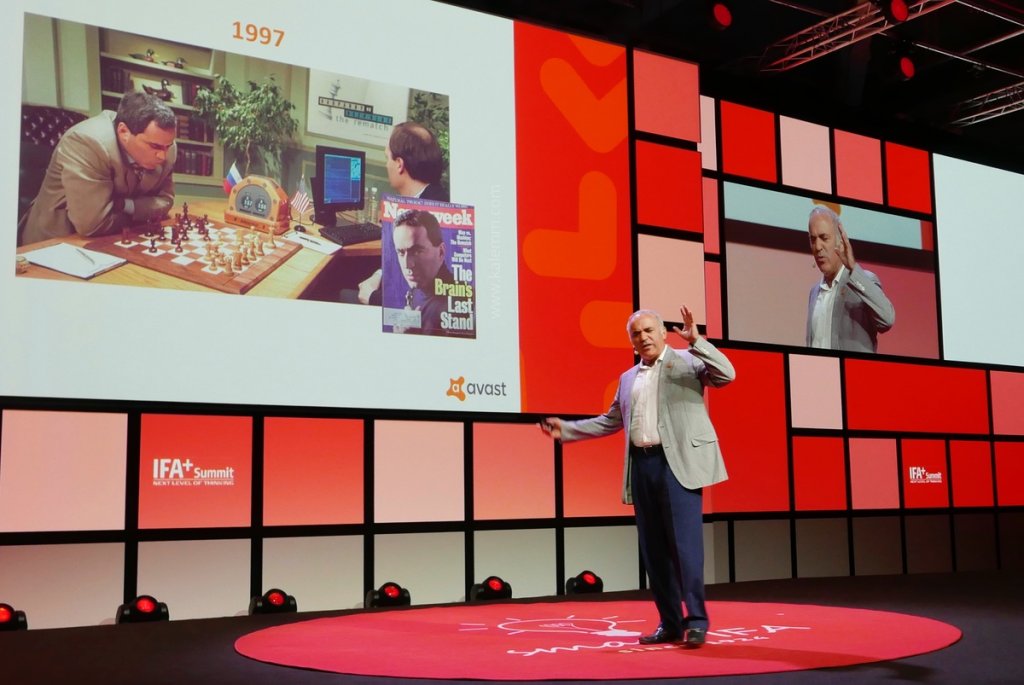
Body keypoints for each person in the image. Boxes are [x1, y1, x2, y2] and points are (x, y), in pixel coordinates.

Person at [540, 306, 735, 647]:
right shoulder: (628, 379)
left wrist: (698, 340)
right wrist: (568, 430)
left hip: (678, 464)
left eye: (648, 331)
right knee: (654, 551)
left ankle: (698, 621)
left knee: (685, 550)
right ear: (631, 342)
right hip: (642, 467)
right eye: (636, 334)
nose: (643, 338)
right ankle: (671, 623)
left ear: (662, 333)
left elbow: (727, 375)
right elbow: (610, 420)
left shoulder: (686, 362)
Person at [806, 205, 895, 352]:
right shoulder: (814, 292)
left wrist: (853, 268)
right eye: (812, 239)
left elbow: (887, 320)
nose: (817, 246)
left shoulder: (864, 281)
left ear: (840, 240)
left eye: (824, 238)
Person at [378, 209, 452, 334]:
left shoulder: (451, 309)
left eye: (417, 251)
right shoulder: (421, 286)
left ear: (441, 252)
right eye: (401, 252)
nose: (407, 264)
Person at [385, 121, 448, 202]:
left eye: (387, 158)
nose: (386, 165)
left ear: (399, 165)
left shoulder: (435, 210)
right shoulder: (439, 200)